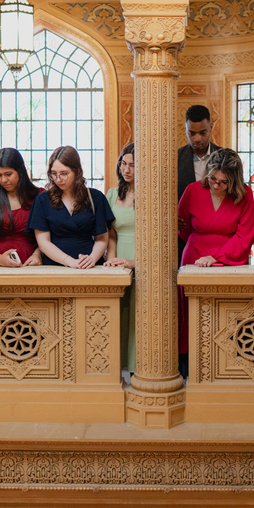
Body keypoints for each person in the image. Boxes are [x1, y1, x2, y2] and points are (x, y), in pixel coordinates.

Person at [178, 149, 254, 364]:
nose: (216, 185)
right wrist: (199, 247)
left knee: (225, 313)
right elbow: (182, 226)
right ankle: (189, 363)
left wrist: (217, 257)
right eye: (213, 178)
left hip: (230, 260)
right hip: (193, 258)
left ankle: (226, 363)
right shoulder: (192, 191)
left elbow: (245, 234)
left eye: (223, 182)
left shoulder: (245, 195)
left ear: (234, 181)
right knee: (190, 313)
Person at [28, 145, 116, 268]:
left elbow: (102, 238)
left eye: (64, 173)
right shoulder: (42, 200)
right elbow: (43, 242)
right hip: (55, 266)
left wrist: (92, 259)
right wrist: (69, 261)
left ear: (77, 171)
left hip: (90, 266)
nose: (58, 179)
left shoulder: (95, 197)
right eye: (54, 174)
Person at [0, 148, 42, 267]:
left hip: (31, 264)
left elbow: (49, 235)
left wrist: (38, 255)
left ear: (20, 171)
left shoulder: (38, 196)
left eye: (8, 174)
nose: (4, 180)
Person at [105, 143, 136, 373]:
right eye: (124, 164)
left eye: (133, 165)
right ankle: (118, 368)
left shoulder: (152, 197)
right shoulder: (113, 194)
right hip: (118, 260)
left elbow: (157, 238)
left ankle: (139, 369)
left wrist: (133, 263)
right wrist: (112, 262)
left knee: (138, 316)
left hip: (143, 259)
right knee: (119, 315)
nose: (126, 170)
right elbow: (111, 233)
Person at [177, 104, 218, 200]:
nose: (197, 139)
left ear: (211, 128)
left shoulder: (224, 157)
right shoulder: (175, 159)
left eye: (202, 133)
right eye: (192, 133)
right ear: (185, 130)